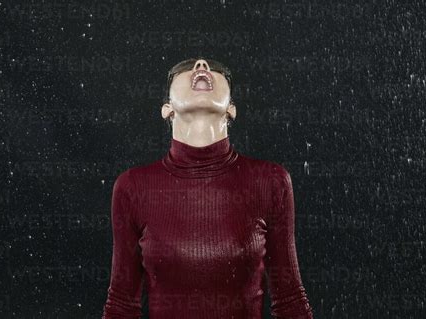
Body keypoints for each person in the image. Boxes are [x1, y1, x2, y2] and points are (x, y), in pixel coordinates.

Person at [102, 57, 314, 318]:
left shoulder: (270, 180)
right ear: (167, 108)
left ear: (231, 109)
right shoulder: (132, 187)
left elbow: (289, 298)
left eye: (215, 69)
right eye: (185, 68)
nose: (201, 66)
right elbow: (122, 304)